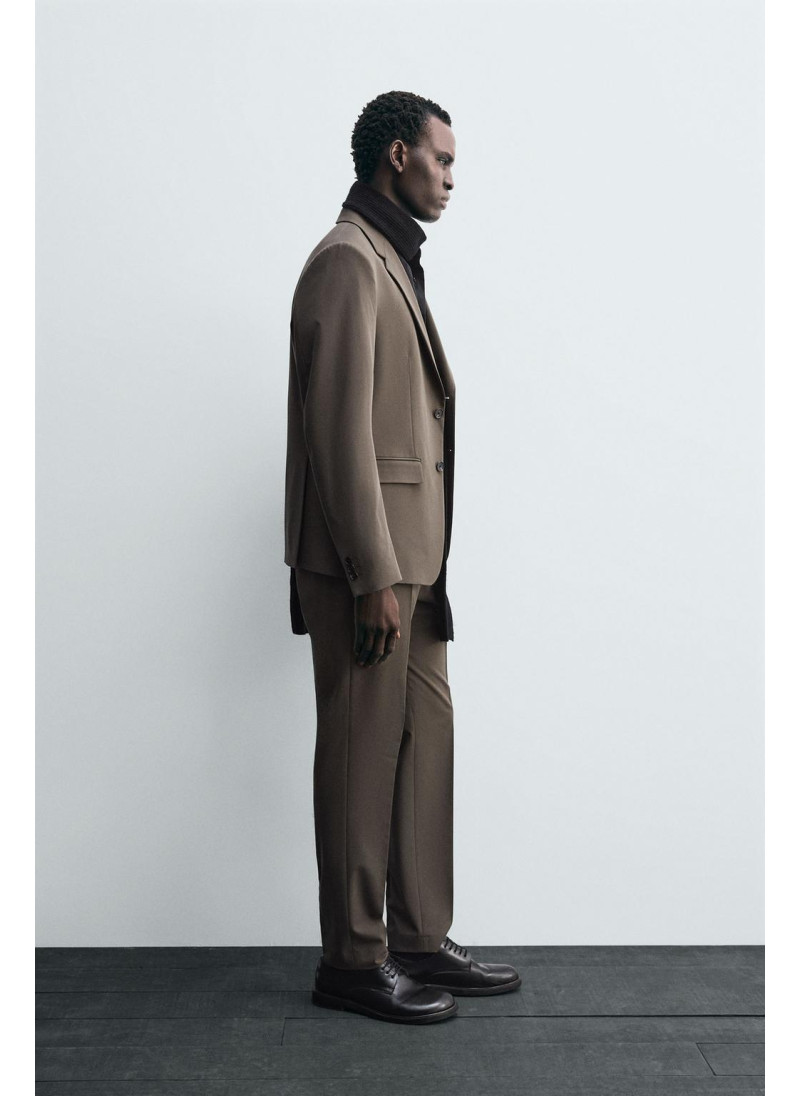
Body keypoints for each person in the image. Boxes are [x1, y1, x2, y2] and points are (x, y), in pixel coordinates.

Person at [283, 90, 521, 1024]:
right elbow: (337, 434)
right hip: (369, 566)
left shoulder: (393, 258)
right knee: (360, 750)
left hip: (417, 561)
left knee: (426, 743)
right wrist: (372, 573)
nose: (452, 178)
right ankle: (352, 959)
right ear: (397, 156)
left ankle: (419, 936)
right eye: (443, 160)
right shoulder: (348, 260)